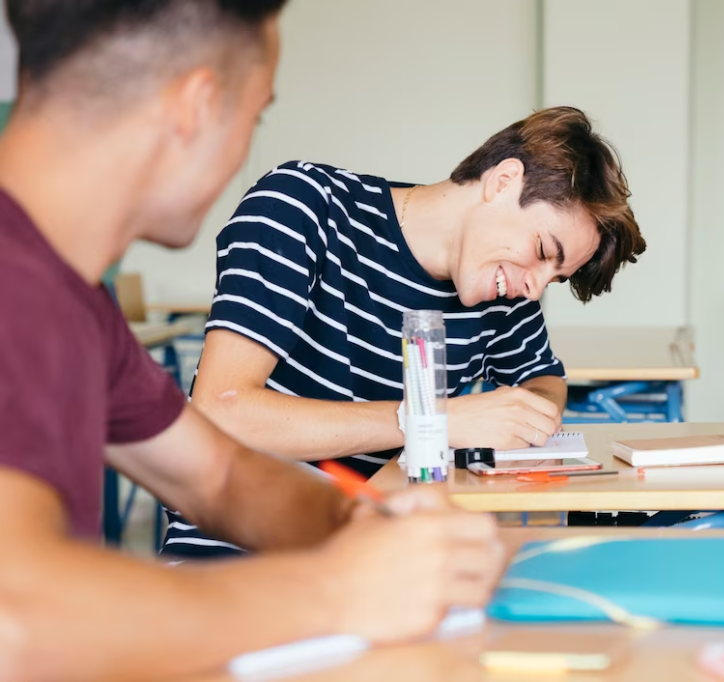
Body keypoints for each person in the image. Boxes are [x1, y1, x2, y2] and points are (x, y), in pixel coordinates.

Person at [0, 1, 503, 679]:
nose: (246, 146)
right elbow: (18, 622)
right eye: (255, 114)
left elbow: (218, 473)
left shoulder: (71, 298)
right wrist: (339, 590)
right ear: (199, 106)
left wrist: (359, 525)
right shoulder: (15, 285)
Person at [165, 106, 647, 558]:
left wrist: (524, 417)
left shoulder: (501, 291)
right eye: (543, 250)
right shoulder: (302, 206)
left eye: (554, 280)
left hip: (378, 554)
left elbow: (542, 379)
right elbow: (221, 412)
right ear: (504, 181)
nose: (534, 288)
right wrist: (431, 422)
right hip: (240, 556)